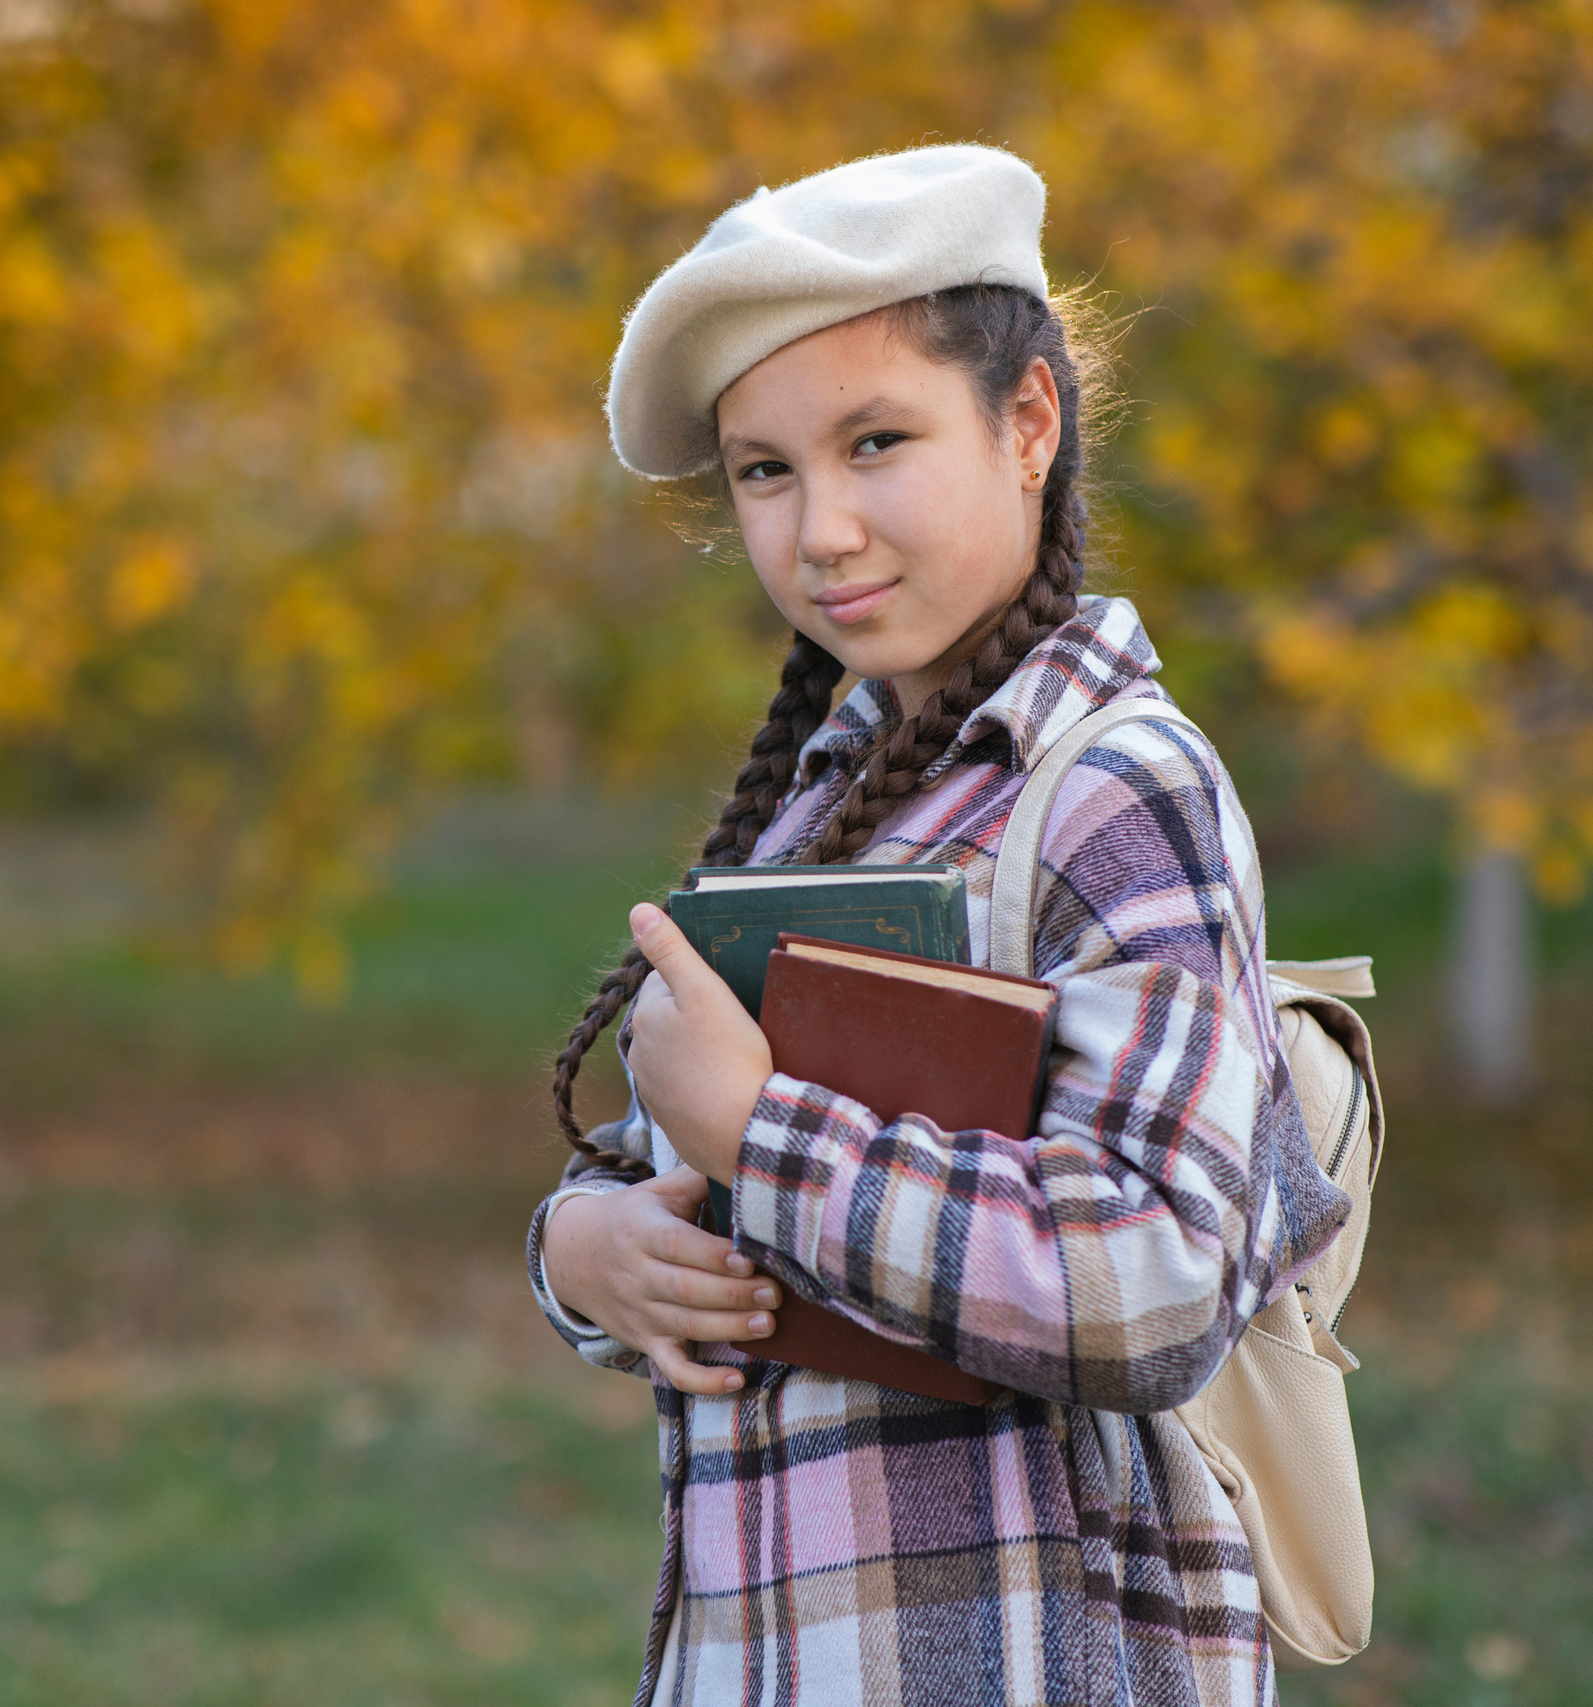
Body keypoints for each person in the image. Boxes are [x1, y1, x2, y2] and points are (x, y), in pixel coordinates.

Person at [526, 146, 1350, 1707]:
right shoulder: (820, 801)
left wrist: (764, 1134)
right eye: (764, 472)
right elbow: (677, 1173)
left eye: (876, 442)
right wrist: (588, 1255)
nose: (822, 529)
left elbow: (1159, 1278)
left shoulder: (1116, 786)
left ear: (1028, 424)